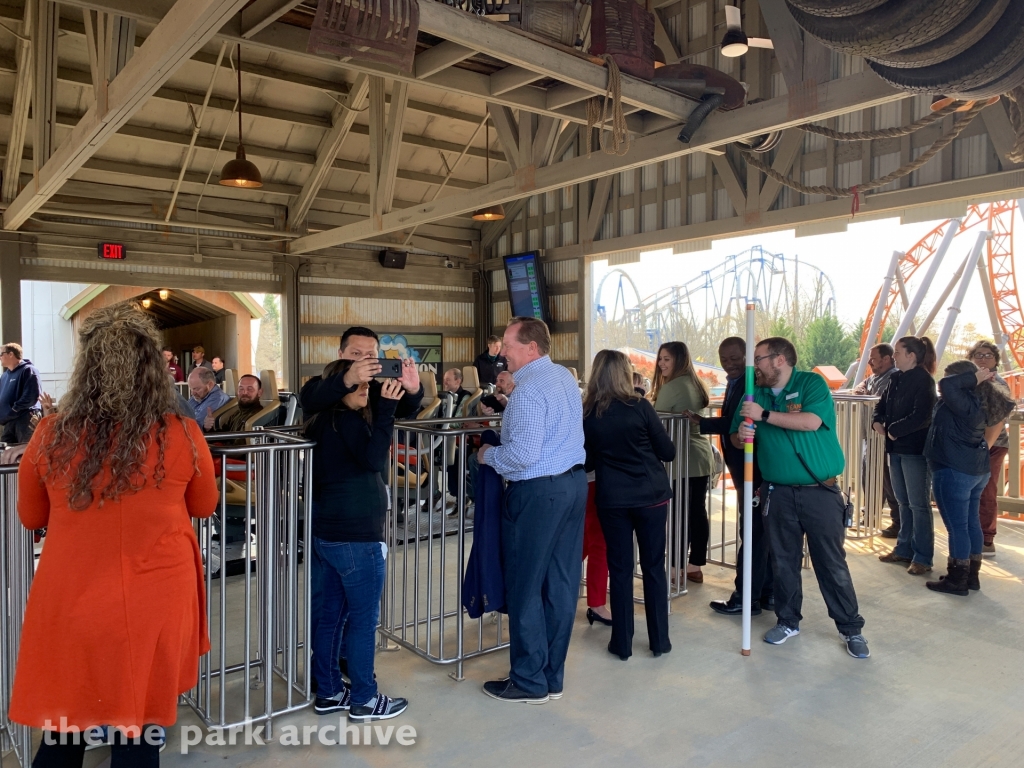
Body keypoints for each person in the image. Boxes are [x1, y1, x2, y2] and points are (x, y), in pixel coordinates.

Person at [10, 302, 217, 765]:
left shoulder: (49, 434)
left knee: (64, 731)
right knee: (140, 731)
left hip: (73, 600)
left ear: (87, 368)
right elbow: (204, 505)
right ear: (153, 369)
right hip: (157, 601)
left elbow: (30, 516)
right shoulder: (182, 433)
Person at [300, 326, 422, 693]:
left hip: (359, 514)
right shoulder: (324, 389)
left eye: (370, 354)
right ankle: (347, 683)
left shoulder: (366, 392)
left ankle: (332, 682)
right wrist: (352, 380)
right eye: (356, 354)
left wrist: (413, 389)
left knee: (341, 611)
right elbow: (317, 400)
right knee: (336, 608)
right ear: (340, 353)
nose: (364, 362)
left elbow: (400, 409)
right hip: (342, 517)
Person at [733, 336, 869, 659]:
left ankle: (851, 628)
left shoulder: (811, 384)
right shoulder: (755, 393)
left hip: (818, 492)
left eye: (759, 358)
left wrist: (764, 416)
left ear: (779, 359)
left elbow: (810, 422)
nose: (754, 365)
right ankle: (788, 620)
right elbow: (739, 438)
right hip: (776, 492)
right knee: (783, 561)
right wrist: (742, 435)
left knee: (831, 562)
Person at [477, 317, 586, 704]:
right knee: (560, 585)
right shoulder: (562, 379)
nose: (502, 351)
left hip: (539, 493)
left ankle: (528, 680)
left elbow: (522, 456)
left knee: (525, 587)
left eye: (508, 344)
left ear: (531, 349)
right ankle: (551, 676)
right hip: (573, 486)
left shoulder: (527, 391)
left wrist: (487, 454)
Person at [583, 350, 675, 660]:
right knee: (653, 567)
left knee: (620, 570)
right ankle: (659, 640)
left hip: (613, 499)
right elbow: (668, 451)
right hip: (651, 496)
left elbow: (589, 462)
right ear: (625, 373)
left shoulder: (588, 413)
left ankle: (621, 644)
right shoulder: (640, 406)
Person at [696, 337, 773, 616]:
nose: (729, 364)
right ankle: (767, 592)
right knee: (759, 530)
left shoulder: (753, 384)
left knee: (753, 531)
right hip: (743, 466)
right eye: (724, 359)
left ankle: (747, 596)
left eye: (734, 358)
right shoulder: (737, 382)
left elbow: (737, 422)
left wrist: (703, 423)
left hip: (754, 467)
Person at [924, 360, 1013, 596]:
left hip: (954, 469)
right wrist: (975, 378)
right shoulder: (976, 402)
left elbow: (945, 384)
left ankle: (957, 579)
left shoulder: (963, 401)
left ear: (962, 380)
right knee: (971, 523)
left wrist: (975, 375)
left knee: (957, 527)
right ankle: (971, 575)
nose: (944, 380)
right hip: (974, 470)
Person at [650, 341, 713, 583]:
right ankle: (694, 565)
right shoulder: (695, 383)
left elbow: (656, 424)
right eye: (660, 358)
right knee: (696, 512)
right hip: (700, 457)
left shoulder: (672, 387)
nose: (661, 363)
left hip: (681, 460)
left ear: (679, 360)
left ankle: (676, 568)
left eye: (667, 359)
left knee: (677, 516)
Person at [874, 336, 938, 575]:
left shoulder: (924, 381)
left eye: (899, 352)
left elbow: (922, 415)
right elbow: (881, 406)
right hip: (896, 449)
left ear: (911, 355)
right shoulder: (895, 378)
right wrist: (877, 421)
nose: (895, 356)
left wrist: (893, 430)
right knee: (903, 501)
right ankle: (904, 548)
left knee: (919, 504)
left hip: (914, 450)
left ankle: (923, 556)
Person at [967, 340, 1012, 557]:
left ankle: (987, 537)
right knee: (971, 490)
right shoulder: (968, 381)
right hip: (969, 443)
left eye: (987, 355)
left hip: (993, 444)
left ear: (995, 360)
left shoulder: (999, 383)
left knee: (987, 489)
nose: (983, 358)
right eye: (978, 354)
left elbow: (998, 419)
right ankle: (972, 533)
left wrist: (986, 445)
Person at [853, 343, 901, 538]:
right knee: (869, 477)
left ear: (887, 358)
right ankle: (871, 515)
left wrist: (868, 397)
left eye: (874, 358)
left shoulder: (894, 377)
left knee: (889, 481)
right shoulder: (874, 378)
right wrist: (863, 391)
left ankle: (898, 521)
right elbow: (861, 387)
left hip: (884, 438)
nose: (871, 362)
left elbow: (881, 400)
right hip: (870, 437)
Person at [0, 343, 42, 444]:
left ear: (11, 354)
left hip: (25, 419)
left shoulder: (28, 370)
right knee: (6, 455)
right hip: (9, 422)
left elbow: (31, 396)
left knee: (26, 451)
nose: (0, 357)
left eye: (1, 354)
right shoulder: (4, 376)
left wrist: (14, 409)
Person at [187, 366, 230, 431]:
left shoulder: (218, 398)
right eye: (191, 389)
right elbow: (182, 412)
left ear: (210, 384)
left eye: (197, 389)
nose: (192, 393)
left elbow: (196, 425)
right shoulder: (198, 396)